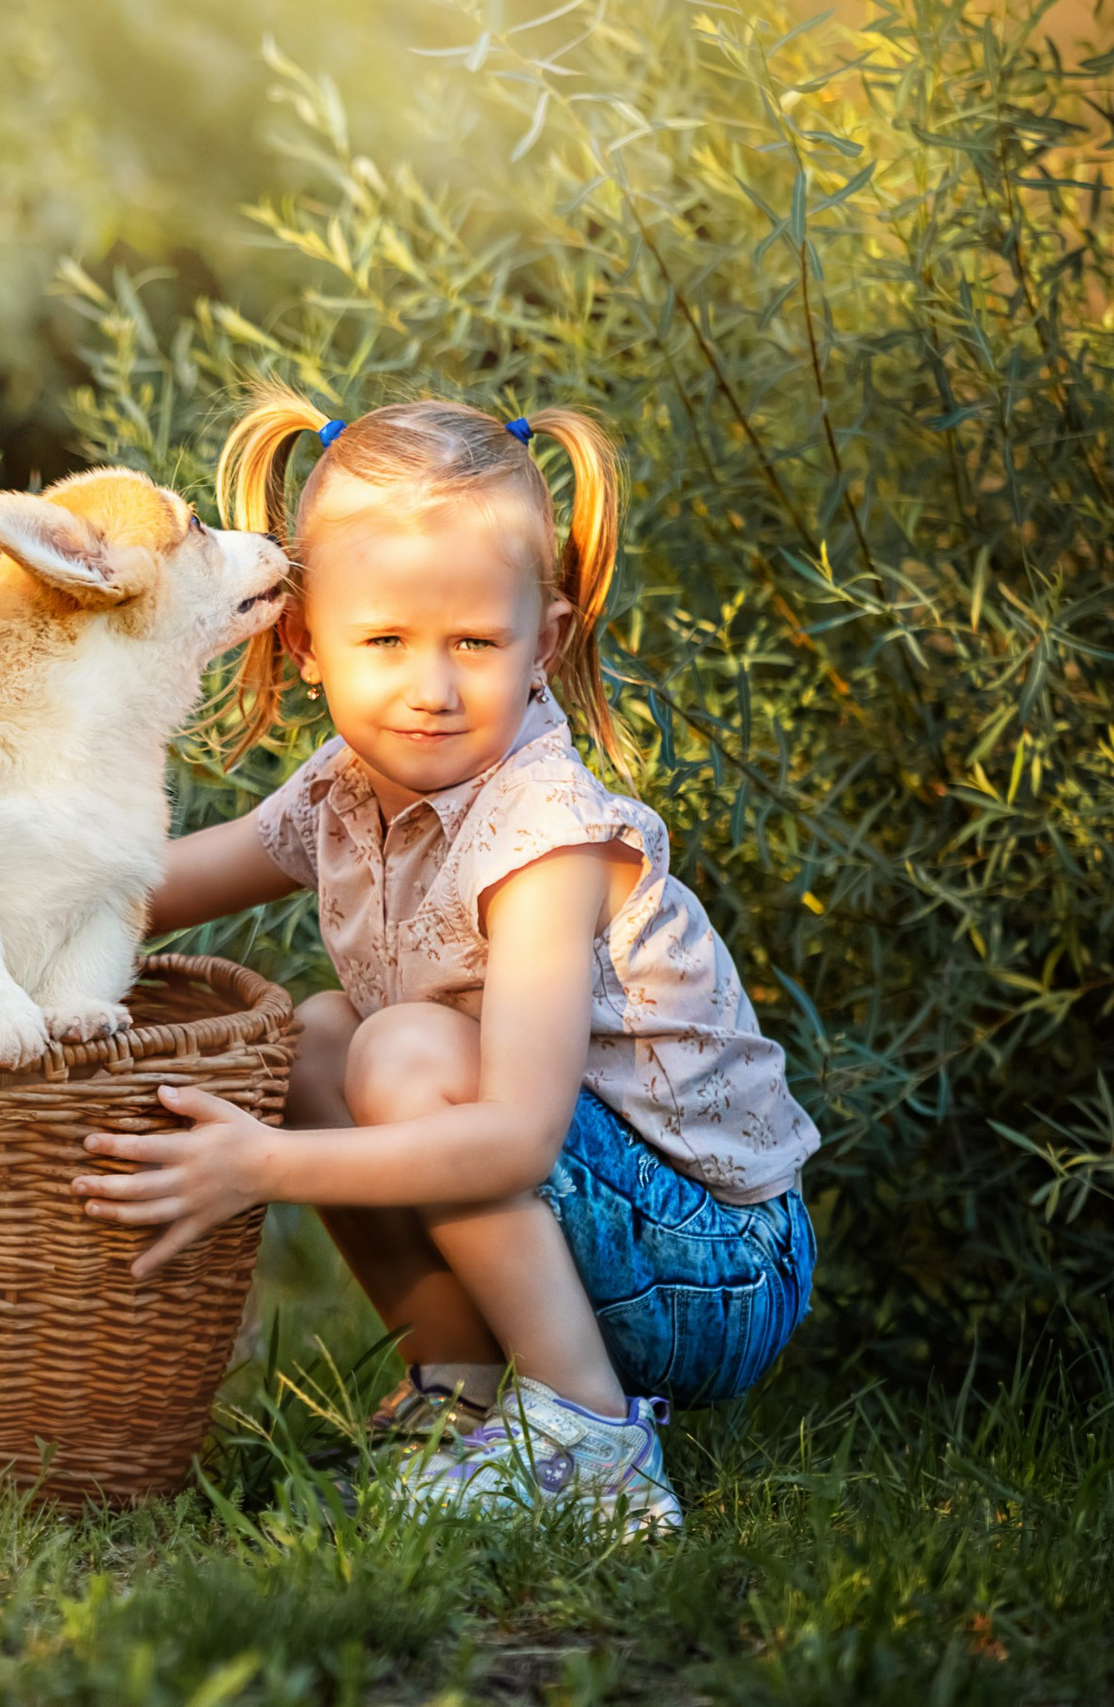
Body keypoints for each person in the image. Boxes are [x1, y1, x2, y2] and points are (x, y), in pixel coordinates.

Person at [73, 388, 817, 1533]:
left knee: (405, 1047)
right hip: (596, 1233)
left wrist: (259, 1168)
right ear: (302, 641)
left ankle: (590, 1436)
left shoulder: (543, 836)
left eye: (475, 642)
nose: (431, 688)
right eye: (384, 641)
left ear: (543, 645)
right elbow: (139, 894)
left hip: (712, 1269)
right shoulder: (338, 787)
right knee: (320, 1037)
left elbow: (517, 1136)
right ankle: (459, 1398)